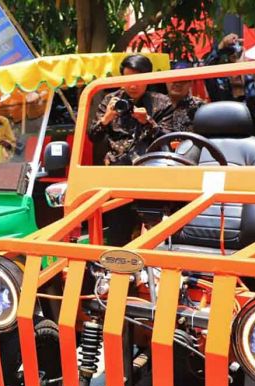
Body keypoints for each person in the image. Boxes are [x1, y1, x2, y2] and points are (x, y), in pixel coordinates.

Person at [88, 54, 173, 246]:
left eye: (138, 80)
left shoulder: (162, 102)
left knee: (153, 233)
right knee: (117, 231)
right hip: (117, 175)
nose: (132, 86)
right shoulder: (111, 100)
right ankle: (114, 272)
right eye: (127, 80)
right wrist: (106, 118)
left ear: (148, 79)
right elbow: (92, 136)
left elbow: (168, 138)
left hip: (150, 175)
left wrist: (148, 121)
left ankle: (152, 272)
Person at [203, 33, 255, 117]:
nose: (238, 71)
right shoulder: (220, 96)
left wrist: (244, 72)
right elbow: (206, 71)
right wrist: (221, 46)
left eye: (245, 67)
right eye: (233, 65)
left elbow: (253, 101)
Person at [165, 61, 205, 133]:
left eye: (183, 80)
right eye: (174, 79)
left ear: (190, 83)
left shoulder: (200, 107)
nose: (178, 83)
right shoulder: (157, 105)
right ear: (166, 80)